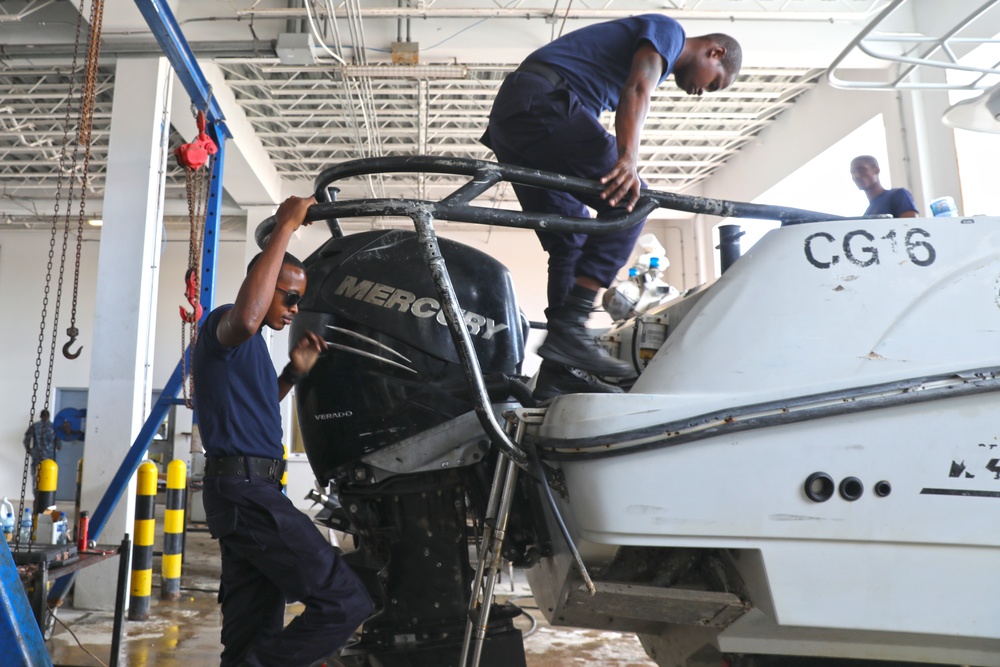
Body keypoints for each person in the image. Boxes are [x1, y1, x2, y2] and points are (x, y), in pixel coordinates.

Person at [480, 15, 741, 399]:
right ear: (715, 51)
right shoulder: (670, 32)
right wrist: (628, 159)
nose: (703, 92)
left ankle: (559, 367)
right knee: (631, 202)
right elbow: (638, 86)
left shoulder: (650, 49)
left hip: (517, 117)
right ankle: (570, 327)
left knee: (571, 239)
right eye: (714, 83)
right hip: (541, 103)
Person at [193, 195, 372, 667]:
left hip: (250, 490)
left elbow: (254, 409)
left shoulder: (252, 350)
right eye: (288, 295)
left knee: (252, 632)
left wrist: (292, 375)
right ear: (263, 283)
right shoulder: (227, 327)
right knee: (344, 603)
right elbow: (249, 315)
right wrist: (284, 229)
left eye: (300, 299)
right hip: (245, 492)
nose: (295, 307)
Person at [850, 155, 918, 218]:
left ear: (876, 170)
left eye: (862, 170)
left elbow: (911, 226)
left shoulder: (898, 195)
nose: (856, 176)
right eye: (853, 172)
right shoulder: (868, 213)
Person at [23, 409, 57, 491]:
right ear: (49, 416)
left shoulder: (35, 426)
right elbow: (59, 444)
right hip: (50, 457)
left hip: (37, 455)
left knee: (36, 477)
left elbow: (26, 440)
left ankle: (36, 497)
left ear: (40, 416)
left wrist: (29, 450)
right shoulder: (54, 427)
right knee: (49, 477)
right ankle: (47, 498)